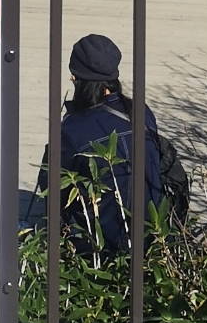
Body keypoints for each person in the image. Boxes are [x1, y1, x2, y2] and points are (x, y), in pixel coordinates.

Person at [20, 34, 190, 245]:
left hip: (98, 244)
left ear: (77, 80)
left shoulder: (73, 129)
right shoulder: (141, 112)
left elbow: (52, 186)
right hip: (151, 235)